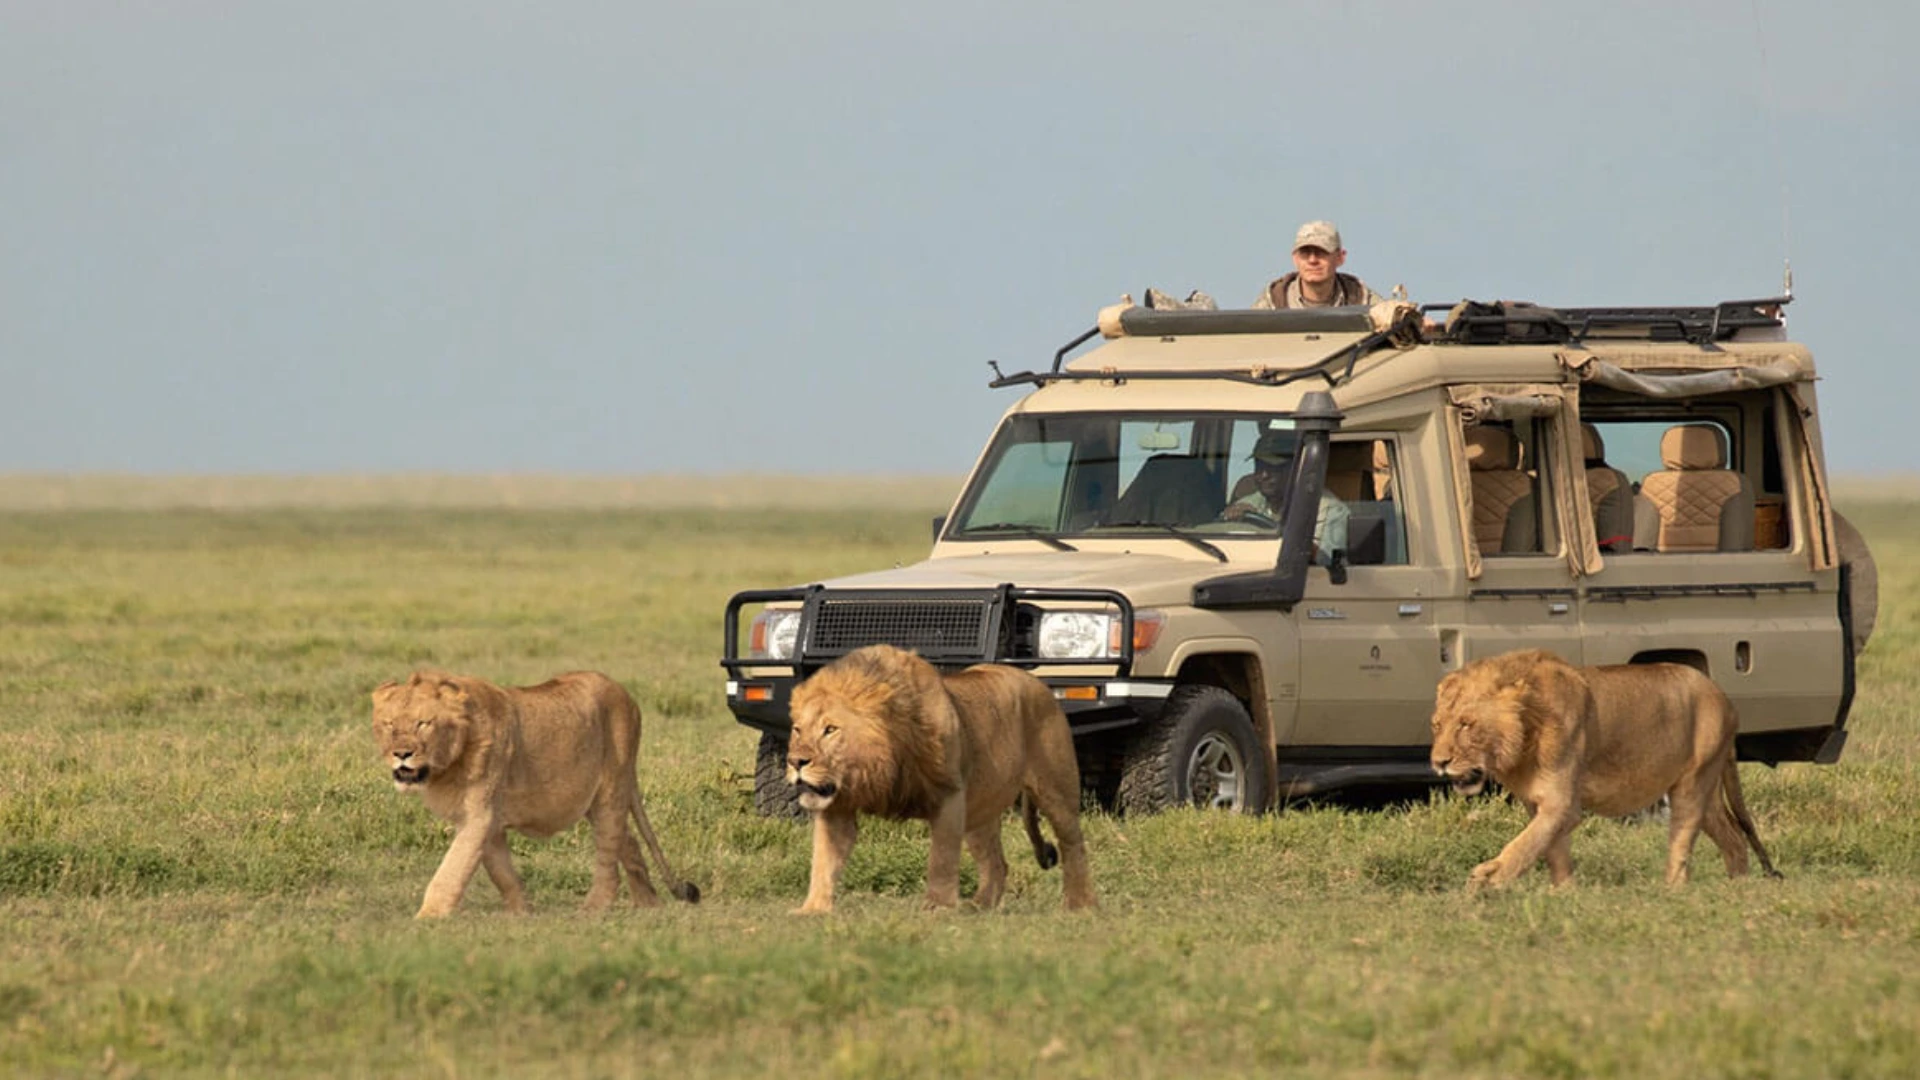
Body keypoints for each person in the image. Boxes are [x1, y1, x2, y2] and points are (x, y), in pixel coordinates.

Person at [1220, 430, 1350, 565]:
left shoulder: (1329, 510)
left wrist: (1278, 534)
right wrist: (1230, 520)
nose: (1264, 475)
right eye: (1259, 466)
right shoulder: (1248, 504)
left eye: (1273, 467)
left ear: (1296, 468)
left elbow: (1329, 566)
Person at [1253, 220, 1384, 309]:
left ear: (1340, 257)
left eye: (1321, 252)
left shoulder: (1364, 302)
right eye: (1305, 253)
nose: (1312, 260)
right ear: (1295, 259)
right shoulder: (1272, 305)